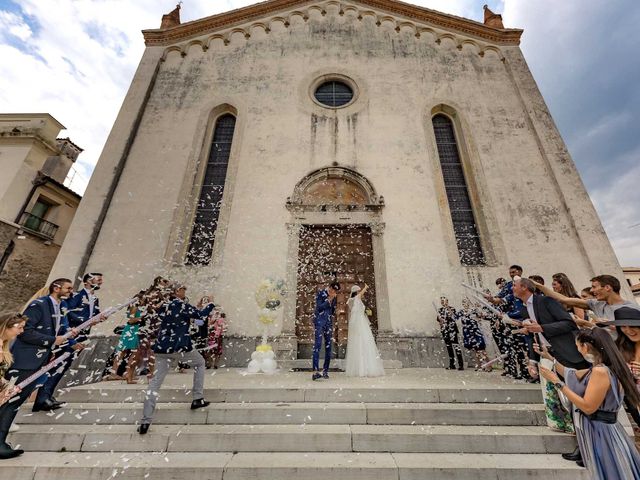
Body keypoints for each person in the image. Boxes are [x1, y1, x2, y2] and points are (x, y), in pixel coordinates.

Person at [538, 328, 640, 478]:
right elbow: (571, 373)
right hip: (604, 430)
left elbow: (588, 407)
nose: (578, 350)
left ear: (585, 346)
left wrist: (556, 382)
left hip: (601, 432)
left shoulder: (600, 372)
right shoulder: (608, 367)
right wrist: (550, 359)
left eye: (578, 346)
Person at [0, 279, 78, 459]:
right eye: (68, 288)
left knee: (14, 402)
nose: (71, 291)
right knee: (9, 402)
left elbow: (56, 330)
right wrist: (52, 341)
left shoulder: (60, 307)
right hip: (24, 361)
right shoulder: (39, 305)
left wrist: (66, 338)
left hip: (38, 361)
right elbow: (27, 332)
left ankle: (1, 440)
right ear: (56, 288)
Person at [138, 284, 214, 434]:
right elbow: (201, 317)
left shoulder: (164, 306)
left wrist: (194, 308)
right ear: (177, 292)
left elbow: (181, 319)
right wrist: (210, 303)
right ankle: (197, 398)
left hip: (162, 348)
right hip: (179, 346)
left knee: (155, 382)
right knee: (200, 363)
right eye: (183, 290)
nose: (185, 293)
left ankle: (145, 421)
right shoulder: (182, 305)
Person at [534, 274, 640, 324]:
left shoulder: (632, 309)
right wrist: (538, 286)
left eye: (594, 287)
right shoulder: (596, 304)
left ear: (607, 287)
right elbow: (565, 300)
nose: (592, 291)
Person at [345, 284, 384, 377]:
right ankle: (366, 368)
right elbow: (360, 296)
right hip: (360, 323)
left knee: (360, 342)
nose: (361, 293)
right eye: (359, 291)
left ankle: (359, 369)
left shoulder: (352, 301)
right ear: (356, 292)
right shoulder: (356, 299)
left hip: (358, 322)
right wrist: (366, 287)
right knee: (364, 341)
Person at [311, 282, 339, 381]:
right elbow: (319, 307)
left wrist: (333, 303)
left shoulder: (334, 296)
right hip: (319, 322)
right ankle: (315, 371)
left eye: (335, 291)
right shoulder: (320, 293)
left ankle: (325, 371)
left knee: (329, 347)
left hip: (328, 323)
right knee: (317, 345)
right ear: (329, 287)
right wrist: (329, 299)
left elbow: (332, 311)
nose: (333, 292)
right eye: (333, 290)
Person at [0, 313, 26, 407]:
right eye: (19, 327)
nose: (22, 331)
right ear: (6, 326)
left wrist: (8, 386)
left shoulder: (4, 346)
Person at [457, 298, 490, 371]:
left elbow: (480, 316)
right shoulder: (461, 312)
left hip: (475, 331)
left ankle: (489, 365)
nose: (465, 304)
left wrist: (477, 308)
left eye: (467, 303)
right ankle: (479, 365)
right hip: (467, 333)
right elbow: (454, 317)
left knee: (481, 349)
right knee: (475, 350)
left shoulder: (473, 310)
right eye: (464, 303)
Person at [437, 297, 464, 370]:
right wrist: (441, 321)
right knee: (449, 348)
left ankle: (461, 365)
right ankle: (452, 365)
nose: (442, 302)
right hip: (445, 331)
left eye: (444, 301)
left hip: (452, 331)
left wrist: (448, 307)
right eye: (441, 301)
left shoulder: (452, 308)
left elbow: (454, 317)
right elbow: (439, 320)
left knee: (456, 346)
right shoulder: (440, 310)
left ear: (447, 301)